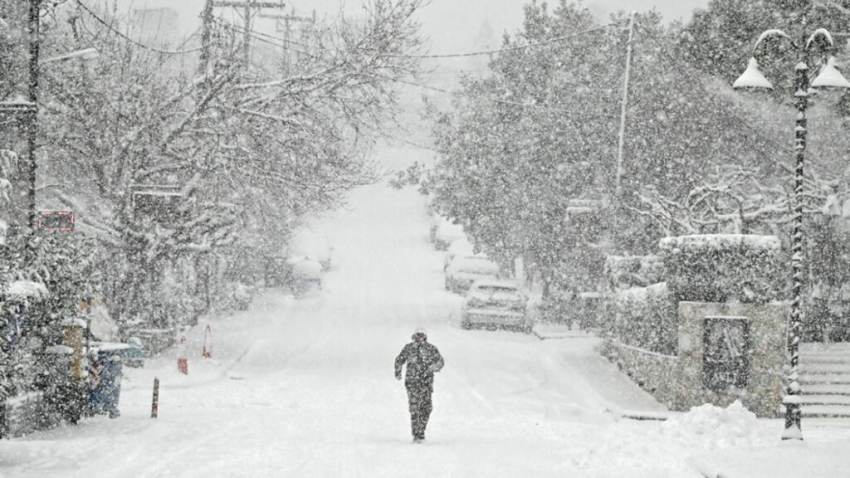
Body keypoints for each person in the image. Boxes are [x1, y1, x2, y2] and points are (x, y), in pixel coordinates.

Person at [394, 328, 444, 443]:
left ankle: (421, 429)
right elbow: (399, 360)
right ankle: (417, 433)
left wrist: (434, 367)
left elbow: (440, 362)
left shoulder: (431, 349)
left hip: (426, 383)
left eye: (421, 336)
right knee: (414, 408)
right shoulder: (409, 348)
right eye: (417, 336)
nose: (419, 338)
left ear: (425, 337)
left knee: (426, 408)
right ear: (414, 337)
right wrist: (398, 372)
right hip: (412, 383)